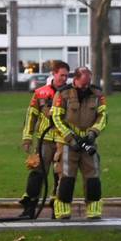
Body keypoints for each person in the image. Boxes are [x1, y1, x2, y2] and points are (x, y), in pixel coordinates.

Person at [51, 66, 107, 220]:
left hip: (89, 142)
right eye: (83, 84)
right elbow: (56, 118)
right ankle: (63, 210)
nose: (86, 87)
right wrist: (70, 137)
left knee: (93, 176)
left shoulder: (97, 94)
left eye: (88, 83)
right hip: (68, 143)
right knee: (67, 177)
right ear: (75, 79)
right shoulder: (63, 94)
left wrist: (93, 132)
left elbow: (103, 116)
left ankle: (94, 209)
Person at [18, 60, 70, 219]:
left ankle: (57, 208)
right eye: (61, 75)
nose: (64, 79)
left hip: (63, 141)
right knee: (37, 174)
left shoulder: (71, 94)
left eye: (67, 76)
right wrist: (27, 138)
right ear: (53, 74)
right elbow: (31, 116)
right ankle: (29, 208)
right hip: (44, 140)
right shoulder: (40, 93)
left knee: (60, 175)